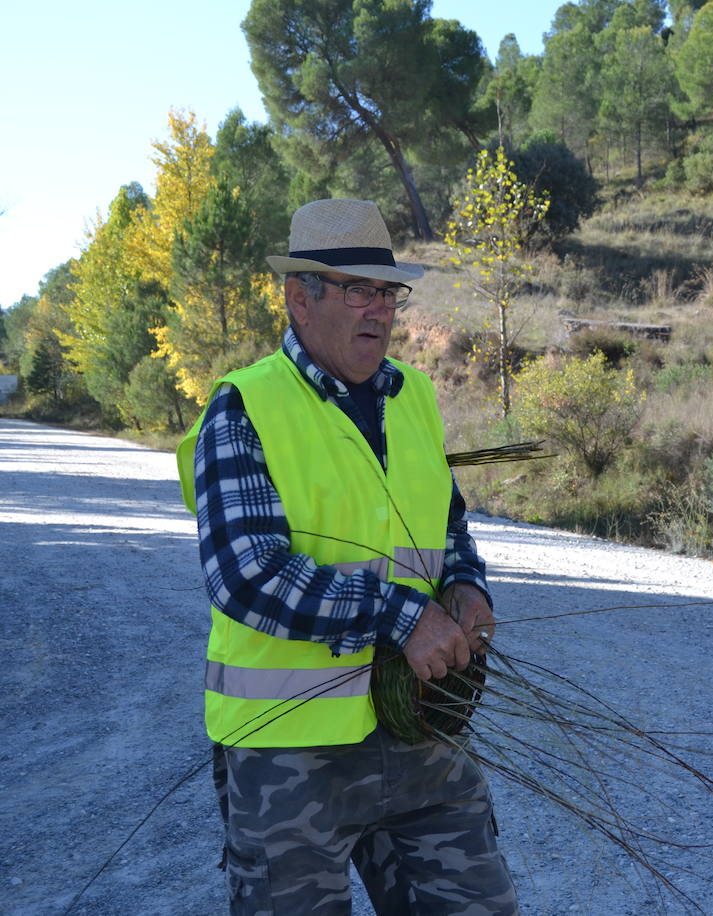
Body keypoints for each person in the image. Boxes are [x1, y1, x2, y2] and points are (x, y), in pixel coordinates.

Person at [175, 198, 519, 915]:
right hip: (287, 755)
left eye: (387, 292)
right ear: (300, 297)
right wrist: (400, 617)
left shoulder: (414, 395)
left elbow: (448, 523)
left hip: (419, 727)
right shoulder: (245, 408)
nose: (380, 310)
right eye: (358, 290)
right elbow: (247, 575)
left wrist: (464, 584)